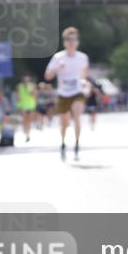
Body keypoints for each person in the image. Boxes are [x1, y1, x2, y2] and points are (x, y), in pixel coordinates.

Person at [44, 26, 90, 161]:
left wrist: (85, 83)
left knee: (77, 116)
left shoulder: (82, 57)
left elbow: (84, 75)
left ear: (77, 42)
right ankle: (63, 144)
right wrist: (58, 67)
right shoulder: (58, 57)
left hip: (77, 92)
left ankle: (76, 145)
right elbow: (47, 76)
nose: (71, 42)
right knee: (64, 123)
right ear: (64, 42)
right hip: (63, 94)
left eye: (74, 39)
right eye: (68, 39)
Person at [15, 74, 37, 142]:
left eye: (27, 78)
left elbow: (35, 95)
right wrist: (18, 98)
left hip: (30, 105)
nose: (26, 79)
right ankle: (25, 131)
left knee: (29, 120)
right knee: (24, 119)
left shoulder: (32, 85)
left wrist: (32, 93)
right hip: (23, 105)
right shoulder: (19, 86)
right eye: (25, 78)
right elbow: (17, 94)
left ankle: (28, 133)